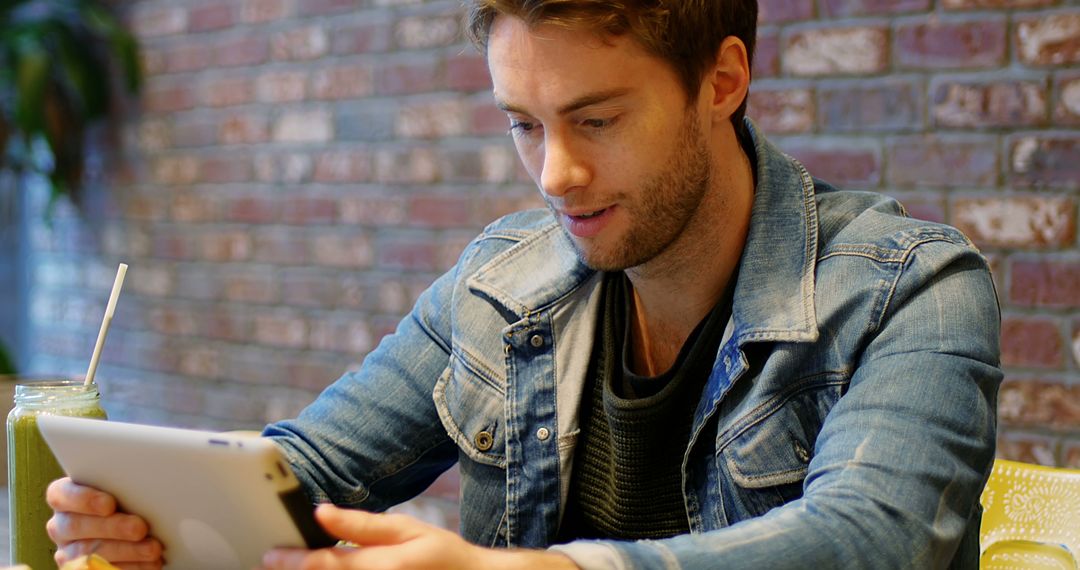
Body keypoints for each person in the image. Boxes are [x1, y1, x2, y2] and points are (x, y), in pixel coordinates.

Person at [46, 1, 1003, 568]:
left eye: (596, 120)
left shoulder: (913, 293)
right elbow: (308, 467)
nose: (554, 176)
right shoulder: (502, 281)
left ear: (722, 82)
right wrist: (160, 517)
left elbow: (862, 546)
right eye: (523, 123)